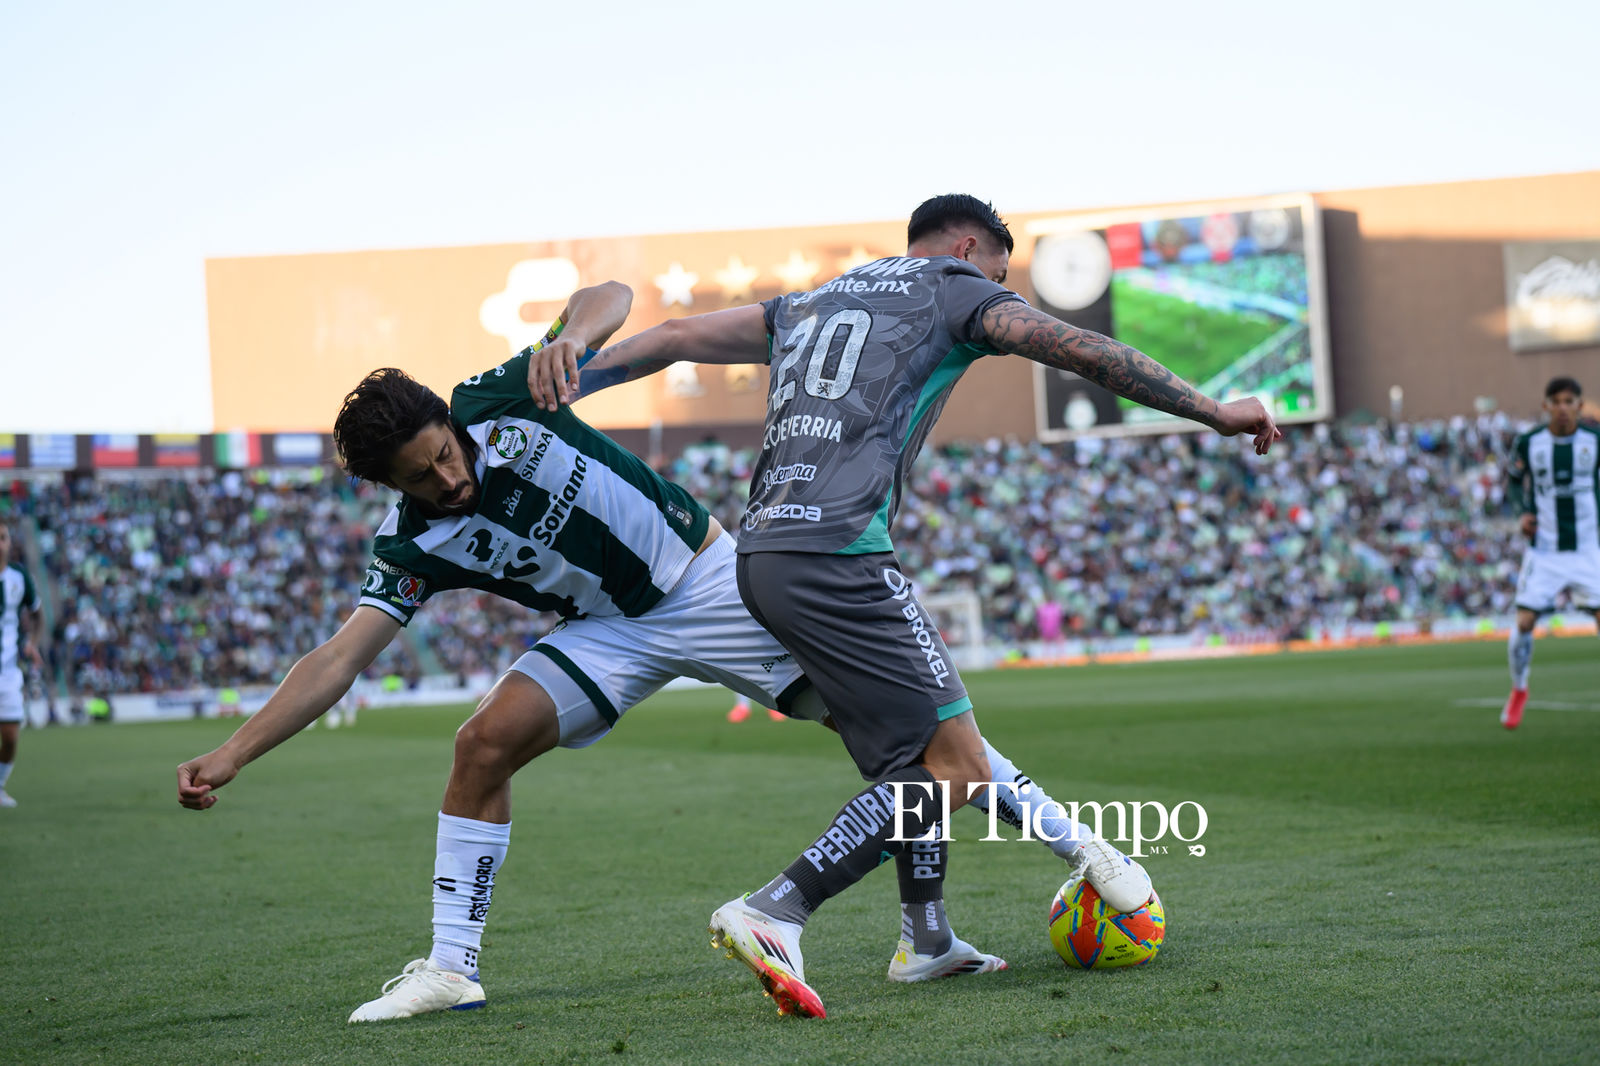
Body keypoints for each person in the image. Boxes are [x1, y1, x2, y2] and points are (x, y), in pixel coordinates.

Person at [175, 281, 1111, 1023]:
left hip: (710, 579)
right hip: (608, 631)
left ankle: (1076, 860)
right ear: (389, 484)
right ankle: (451, 968)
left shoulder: (498, 399)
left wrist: (573, 337)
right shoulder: (412, 544)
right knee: (481, 744)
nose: (449, 478)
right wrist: (232, 753)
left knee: (916, 734)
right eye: (421, 477)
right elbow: (338, 660)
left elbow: (612, 295)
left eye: (447, 454)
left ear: (451, 424)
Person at [533, 194, 1280, 1017]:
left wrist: (571, 377)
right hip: (838, 553)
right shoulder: (954, 288)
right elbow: (1082, 349)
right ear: (968, 247)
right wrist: (1212, 410)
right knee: (960, 768)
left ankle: (927, 941)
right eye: (1001, 272)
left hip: (761, 552)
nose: (1001, 290)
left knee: (911, 765)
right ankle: (777, 908)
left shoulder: (812, 301)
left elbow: (675, 336)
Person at [1501, 376, 1600, 729]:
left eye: (1569, 402)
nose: (1562, 408)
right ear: (1546, 406)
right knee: (1524, 622)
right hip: (1545, 551)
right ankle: (1519, 689)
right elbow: (1514, 481)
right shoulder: (1530, 442)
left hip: (1588, 548)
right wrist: (1521, 513)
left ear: (1579, 406)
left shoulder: (1594, 440)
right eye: (1556, 402)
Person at [0, 522, 43, 807]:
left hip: (7, 670)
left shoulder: (19, 577)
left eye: (2, 537)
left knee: (11, 736)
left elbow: (37, 614)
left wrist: (32, 643)